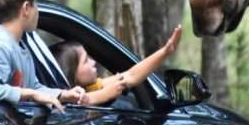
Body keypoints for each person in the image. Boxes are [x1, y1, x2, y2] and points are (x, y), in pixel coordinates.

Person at [0, 0, 88, 112]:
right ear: (26, 8)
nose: (37, 11)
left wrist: (63, 95)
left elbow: (33, 87)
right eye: (35, 5)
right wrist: (32, 94)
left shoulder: (19, 45)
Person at [51, 25, 183, 105]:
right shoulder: (61, 101)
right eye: (85, 61)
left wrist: (166, 50)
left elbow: (131, 75)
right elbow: (77, 102)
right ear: (72, 72)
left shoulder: (91, 87)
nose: (93, 62)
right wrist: (106, 94)